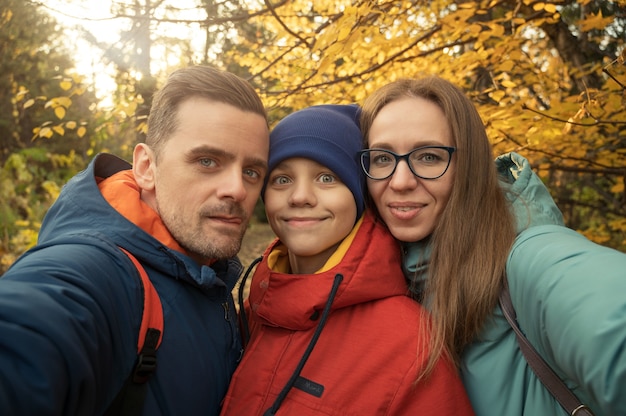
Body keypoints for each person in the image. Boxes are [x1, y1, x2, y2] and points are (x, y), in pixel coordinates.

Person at [0, 65, 270, 415]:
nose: (237, 189)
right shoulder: (92, 274)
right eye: (207, 161)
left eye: (251, 171)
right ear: (145, 167)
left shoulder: (206, 272)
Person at [358, 76, 626, 416]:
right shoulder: (391, 279)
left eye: (429, 157)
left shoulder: (530, 259)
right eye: (382, 158)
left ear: (468, 166)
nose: (400, 181)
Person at [220, 104, 475, 416]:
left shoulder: (410, 346)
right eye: (282, 179)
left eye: (326, 178)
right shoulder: (250, 314)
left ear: (360, 196)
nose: (300, 196)